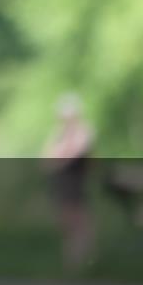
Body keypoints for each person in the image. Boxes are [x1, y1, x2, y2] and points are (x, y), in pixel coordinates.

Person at [41, 92, 95, 271]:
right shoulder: (59, 133)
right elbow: (46, 158)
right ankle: (72, 263)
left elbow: (74, 154)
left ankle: (82, 262)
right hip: (62, 181)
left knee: (79, 221)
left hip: (76, 181)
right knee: (65, 223)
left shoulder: (83, 131)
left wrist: (58, 158)